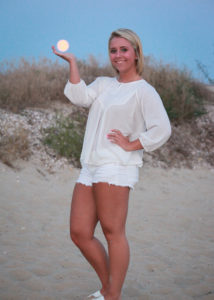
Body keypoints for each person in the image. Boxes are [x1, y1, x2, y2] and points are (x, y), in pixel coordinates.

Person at [52, 28, 171, 300]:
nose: (118, 55)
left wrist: (132, 144)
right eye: (113, 50)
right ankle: (110, 288)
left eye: (124, 50)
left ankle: (111, 294)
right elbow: (79, 97)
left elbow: (162, 129)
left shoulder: (144, 91)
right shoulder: (105, 84)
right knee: (80, 232)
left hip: (116, 166)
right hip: (90, 165)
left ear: (136, 53)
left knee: (112, 232)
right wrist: (72, 63)